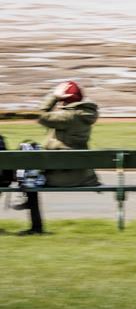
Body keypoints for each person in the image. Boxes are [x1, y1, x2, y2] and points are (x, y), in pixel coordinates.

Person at [16, 81, 100, 211]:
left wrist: (54, 97)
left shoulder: (69, 116)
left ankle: (33, 220)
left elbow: (41, 116)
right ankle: (34, 223)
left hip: (60, 178)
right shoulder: (85, 114)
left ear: (65, 99)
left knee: (27, 165)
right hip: (83, 176)